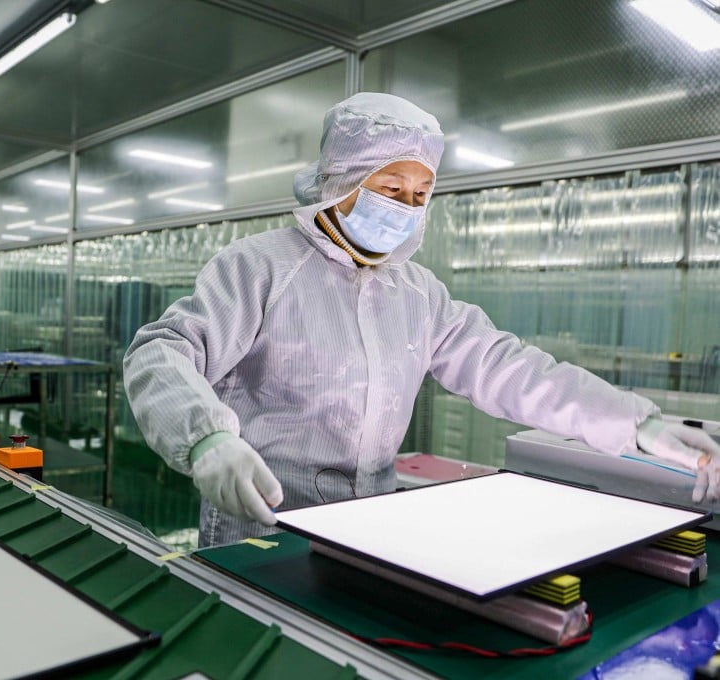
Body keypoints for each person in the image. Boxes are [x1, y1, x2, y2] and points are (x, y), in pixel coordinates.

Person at [123, 92, 720, 548]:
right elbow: (162, 350)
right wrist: (207, 436)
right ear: (341, 180)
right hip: (262, 529)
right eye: (390, 187)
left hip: (371, 529)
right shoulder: (259, 268)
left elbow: (513, 371)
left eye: (418, 195)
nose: (405, 207)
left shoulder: (419, 293)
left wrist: (636, 425)